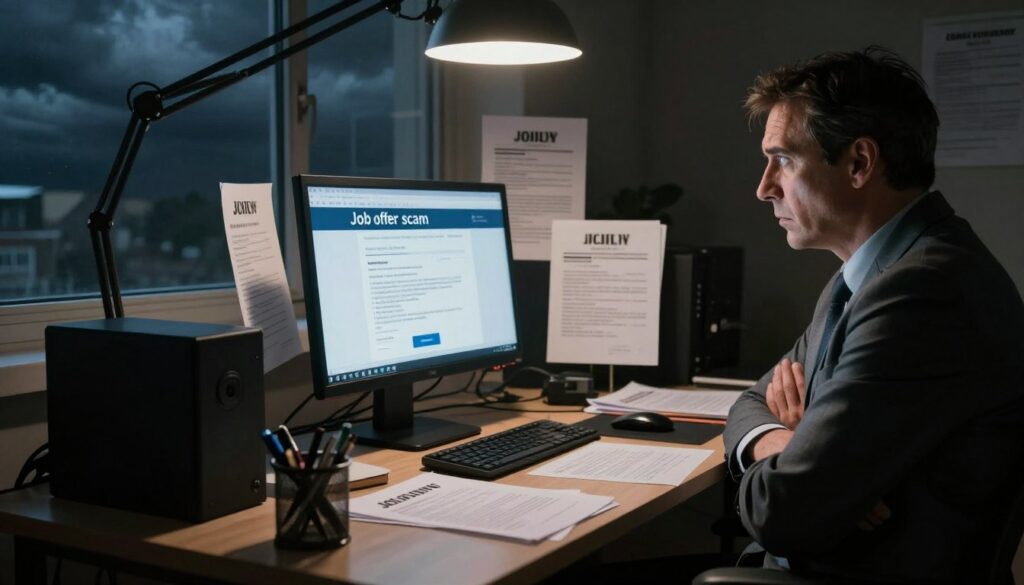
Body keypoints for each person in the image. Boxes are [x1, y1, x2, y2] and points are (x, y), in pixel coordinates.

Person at [724, 47, 1024, 583]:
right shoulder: (865, 276)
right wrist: (787, 444)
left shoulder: (922, 291)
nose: (764, 187)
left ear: (860, 163)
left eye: (785, 160)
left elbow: (783, 513)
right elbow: (751, 401)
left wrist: (806, 474)